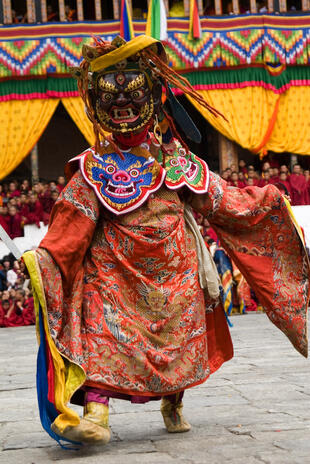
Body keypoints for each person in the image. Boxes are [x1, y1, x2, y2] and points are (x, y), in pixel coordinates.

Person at [22, 35, 309, 448]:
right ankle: (96, 412)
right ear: (95, 104)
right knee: (102, 329)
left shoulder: (175, 160)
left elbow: (220, 199)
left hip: (175, 277)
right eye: (111, 96)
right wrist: (44, 259)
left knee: (178, 338)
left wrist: (265, 201)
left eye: (134, 93)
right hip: (114, 276)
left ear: (153, 96)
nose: (123, 105)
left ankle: (173, 401)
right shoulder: (92, 168)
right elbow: (71, 224)